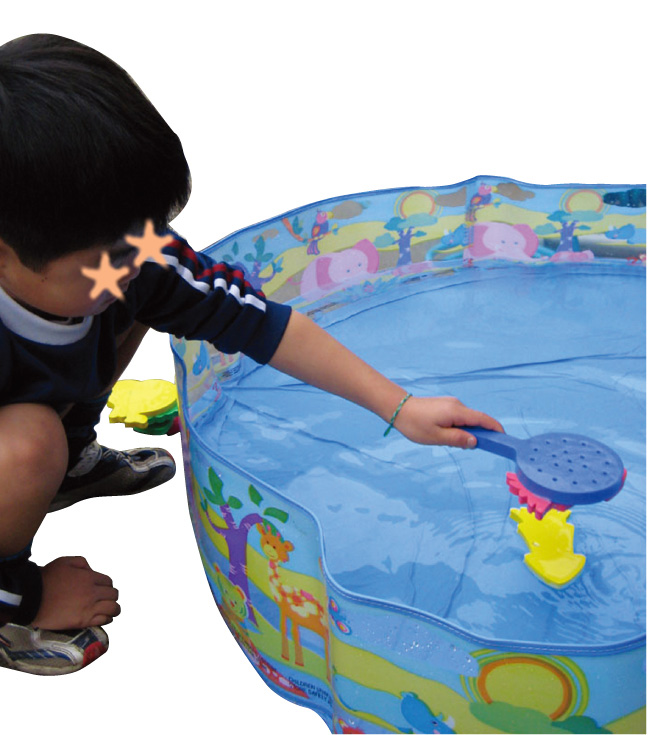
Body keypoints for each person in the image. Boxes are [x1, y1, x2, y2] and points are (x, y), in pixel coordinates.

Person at [0, 33, 502, 675]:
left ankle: (64, 462)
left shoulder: (129, 258)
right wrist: (30, 592)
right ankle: (11, 610)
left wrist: (398, 406)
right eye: (110, 257)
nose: (138, 260)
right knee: (28, 444)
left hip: (35, 390)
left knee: (145, 300)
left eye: (144, 235)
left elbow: (262, 325)